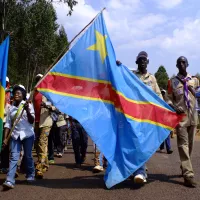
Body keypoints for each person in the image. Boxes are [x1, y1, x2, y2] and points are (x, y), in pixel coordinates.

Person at [117, 51, 162, 185]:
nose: (142, 62)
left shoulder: (152, 79)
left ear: (148, 62)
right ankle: (140, 171)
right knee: (136, 143)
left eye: (144, 60)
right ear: (137, 62)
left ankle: (139, 170)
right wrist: (118, 68)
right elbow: (122, 82)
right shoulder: (132, 76)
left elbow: (158, 95)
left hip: (147, 117)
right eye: (140, 60)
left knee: (142, 144)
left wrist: (167, 108)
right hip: (134, 116)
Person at [167, 56, 199, 187]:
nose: (181, 64)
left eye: (183, 62)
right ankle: (188, 174)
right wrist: (174, 106)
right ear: (176, 65)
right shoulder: (172, 82)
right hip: (181, 118)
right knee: (183, 145)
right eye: (179, 62)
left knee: (190, 145)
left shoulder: (195, 81)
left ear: (187, 64)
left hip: (193, 117)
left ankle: (184, 166)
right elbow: (168, 99)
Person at [2, 85, 35, 189]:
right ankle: (10, 180)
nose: (17, 94)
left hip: (27, 135)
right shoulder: (11, 108)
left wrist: (27, 110)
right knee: (13, 157)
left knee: (28, 156)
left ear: (23, 95)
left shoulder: (28, 105)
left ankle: (30, 174)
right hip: (15, 135)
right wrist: (5, 138)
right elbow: (8, 124)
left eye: (19, 93)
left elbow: (32, 120)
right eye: (15, 92)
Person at [159, 89, 173, 154]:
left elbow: (172, 108)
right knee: (162, 134)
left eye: (163, 93)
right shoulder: (159, 101)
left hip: (167, 120)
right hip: (161, 120)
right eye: (162, 93)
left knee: (167, 134)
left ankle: (168, 149)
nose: (163, 94)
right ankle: (162, 147)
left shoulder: (168, 102)